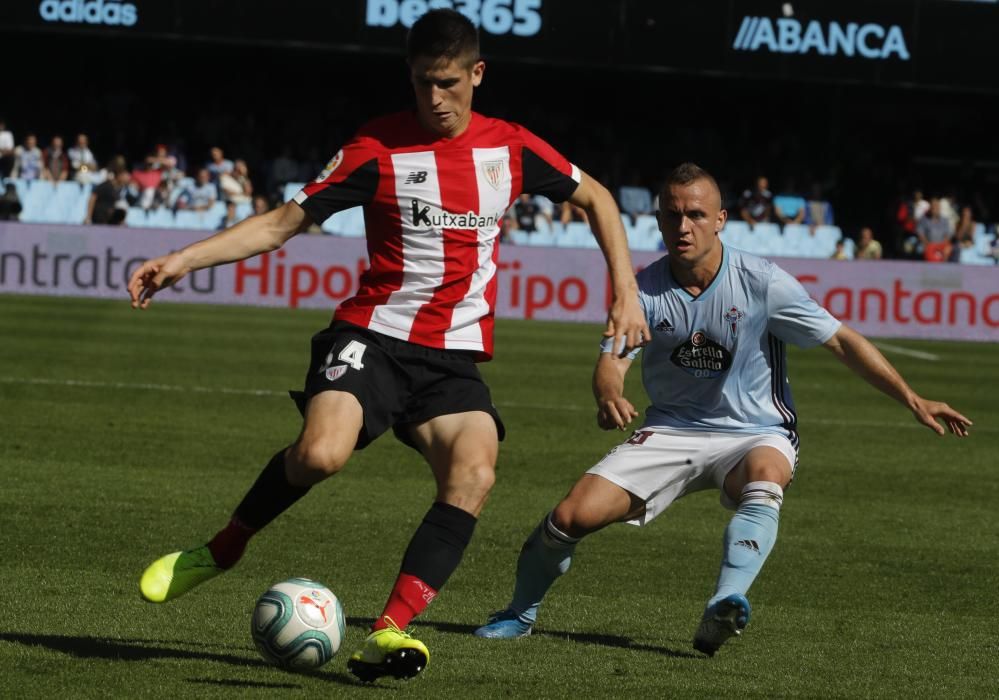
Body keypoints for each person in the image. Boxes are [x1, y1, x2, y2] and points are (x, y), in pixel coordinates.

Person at [127, 9, 648, 684]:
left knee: (476, 471)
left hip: (450, 361)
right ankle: (222, 548)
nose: (434, 98)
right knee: (321, 454)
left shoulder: (511, 150)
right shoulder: (376, 148)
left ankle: (390, 629)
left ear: (476, 75)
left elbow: (599, 199)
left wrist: (624, 290)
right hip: (372, 336)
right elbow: (282, 224)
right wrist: (181, 260)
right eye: (422, 83)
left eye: (447, 83)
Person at [473, 162, 971, 657]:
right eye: (671, 216)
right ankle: (519, 614)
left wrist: (912, 398)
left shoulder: (762, 281)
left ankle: (724, 604)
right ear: (659, 220)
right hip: (672, 429)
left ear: (720, 219)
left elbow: (840, 341)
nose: (682, 227)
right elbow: (612, 363)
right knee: (569, 517)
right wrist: (607, 393)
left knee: (765, 476)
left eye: (695, 214)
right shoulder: (642, 289)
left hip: (756, 429)